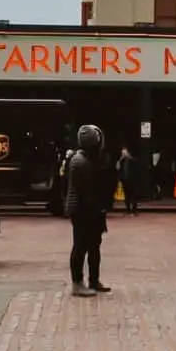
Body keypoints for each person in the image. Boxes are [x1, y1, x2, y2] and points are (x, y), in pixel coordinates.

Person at [64, 124, 115, 297]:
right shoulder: (80, 161)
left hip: (91, 208)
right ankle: (77, 283)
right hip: (81, 209)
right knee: (81, 245)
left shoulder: (90, 159)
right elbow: (87, 191)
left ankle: (94, 280)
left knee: (94, 245)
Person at [118, 147, 144, 215]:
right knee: (127, 196)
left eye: (124, 152)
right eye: (122, 153)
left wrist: (129, 157)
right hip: (125, 180)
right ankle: (128, 210)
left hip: (133, 180)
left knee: (134, 196)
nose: (123, 154)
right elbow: (119, 170)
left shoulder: (132, 160)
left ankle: (134, 210)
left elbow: (137, 164)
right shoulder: (121, 161)